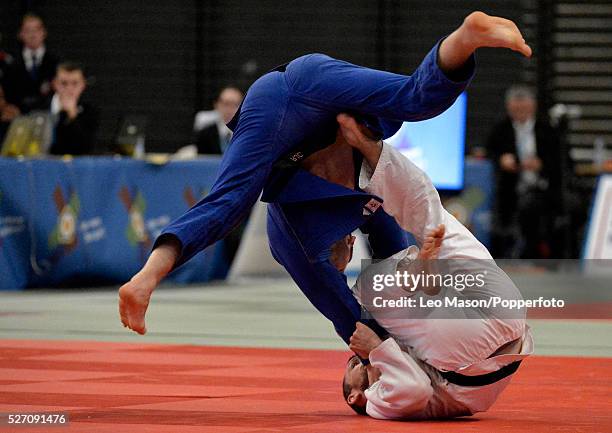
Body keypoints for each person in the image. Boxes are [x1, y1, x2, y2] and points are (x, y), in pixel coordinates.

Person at [119, 12, 532, 344]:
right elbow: (381, 297)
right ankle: (466, 37)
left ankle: (467, 35)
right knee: (412, 102)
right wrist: (404, 335)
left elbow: (354, 321)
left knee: (231, 203)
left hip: (285, 104)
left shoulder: (297, 241)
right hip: (312, 93)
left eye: (342, 256)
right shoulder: (347, 219)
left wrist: (389, 336)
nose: (348, 252)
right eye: (346, 256)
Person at [332, 113, 532, 419]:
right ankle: (421, 275)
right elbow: (416, 389)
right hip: (465, 357)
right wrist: (375, 349)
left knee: (432, 219)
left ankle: (372, 149)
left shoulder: (384, 377)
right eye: (355, 367)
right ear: (355, 397)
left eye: (353, 361)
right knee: (370, 286)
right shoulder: (375, 401)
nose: (356, 359)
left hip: (502, 320)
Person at [486, 85, 561, 258]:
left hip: (541, 187)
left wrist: (541, 164)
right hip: (510, 186)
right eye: (516, 108)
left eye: (524, 107)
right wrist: (502, 160)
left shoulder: (547, 129)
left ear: (533, 107)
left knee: (535, 208)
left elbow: (560, 161)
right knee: (504, 209)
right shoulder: (500, 129)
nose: (520, 111)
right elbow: (490, 151)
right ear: (509, 108)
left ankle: (535, 253)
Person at [4, 13, 59, 113]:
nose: (33, 34)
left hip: (48, 115)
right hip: (18, 117)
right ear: (20, 34)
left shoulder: (56, 62)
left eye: (37, 29)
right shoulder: (10, 63)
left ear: (44, 32)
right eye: (28, 30)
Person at [46, 62, 98, 155]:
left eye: (75, 83)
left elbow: (86, 148)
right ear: (54, 84)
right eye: (64, 83)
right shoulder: (39, 107)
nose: (69, 88)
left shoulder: (89, 111)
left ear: (83, 85)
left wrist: (73, 116)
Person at [193, 86, 244, 154]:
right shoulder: (205, 134)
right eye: (226, 104)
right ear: (217, 105)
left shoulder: (246, 133)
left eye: (235, 104)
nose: (229, 109)